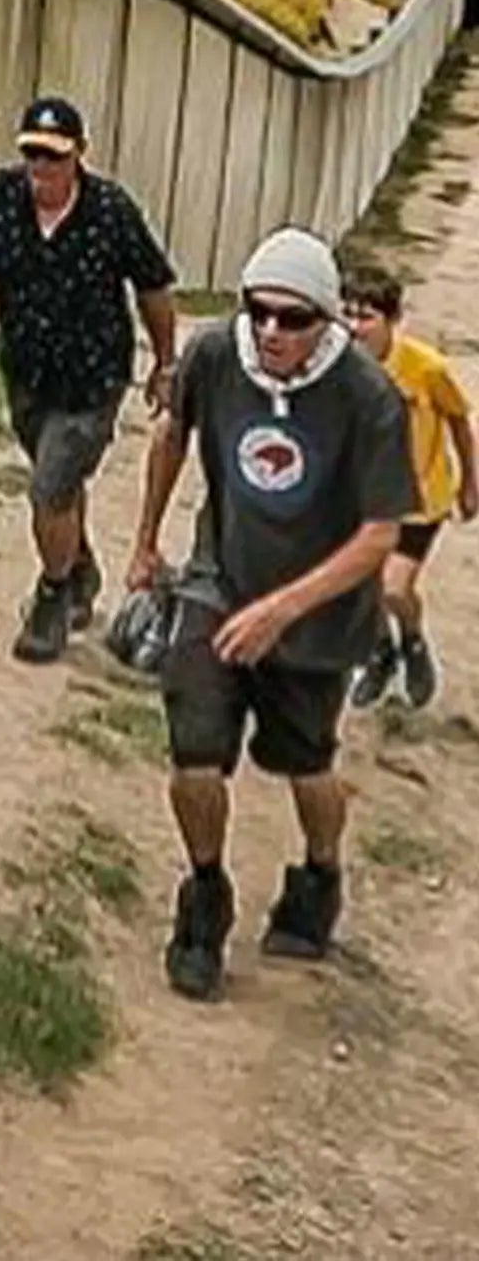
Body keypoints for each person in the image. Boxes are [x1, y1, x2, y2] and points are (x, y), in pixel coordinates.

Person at [126, 227, 411, 999]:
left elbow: (380, 533)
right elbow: (170, 432)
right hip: (220, 587)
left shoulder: (368, 398)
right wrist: (148, 540)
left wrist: (283, 611)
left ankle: (319, 875)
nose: (273, 332)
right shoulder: (220, 355)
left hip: (320, 615)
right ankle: (204, 894)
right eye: (259, 313)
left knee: (306, 765)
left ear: (328, 320)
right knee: (194, 755)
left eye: (294, 319)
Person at [0, 92, 179, 662]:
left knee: (50, 487)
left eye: (53, 156)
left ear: (79, 155)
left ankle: (52, 593)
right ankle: (80, 568)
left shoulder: (111, 210)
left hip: (93, 379)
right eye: (33, 154)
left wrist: (165, 364)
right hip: (25, 374)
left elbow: (154, 288)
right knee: (58, 485)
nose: (41, 167)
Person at [341, 262, 476, 711]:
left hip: (421, 497)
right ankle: (380, 652)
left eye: (366, 316)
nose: (355, 326)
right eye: (349, 314)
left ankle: (413, 642)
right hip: (364, 495)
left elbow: (458, 421)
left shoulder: (426, 368)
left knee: (393, 588)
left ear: (392, 320)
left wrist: (471, 482)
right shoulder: (339, 365)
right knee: (361, 586)